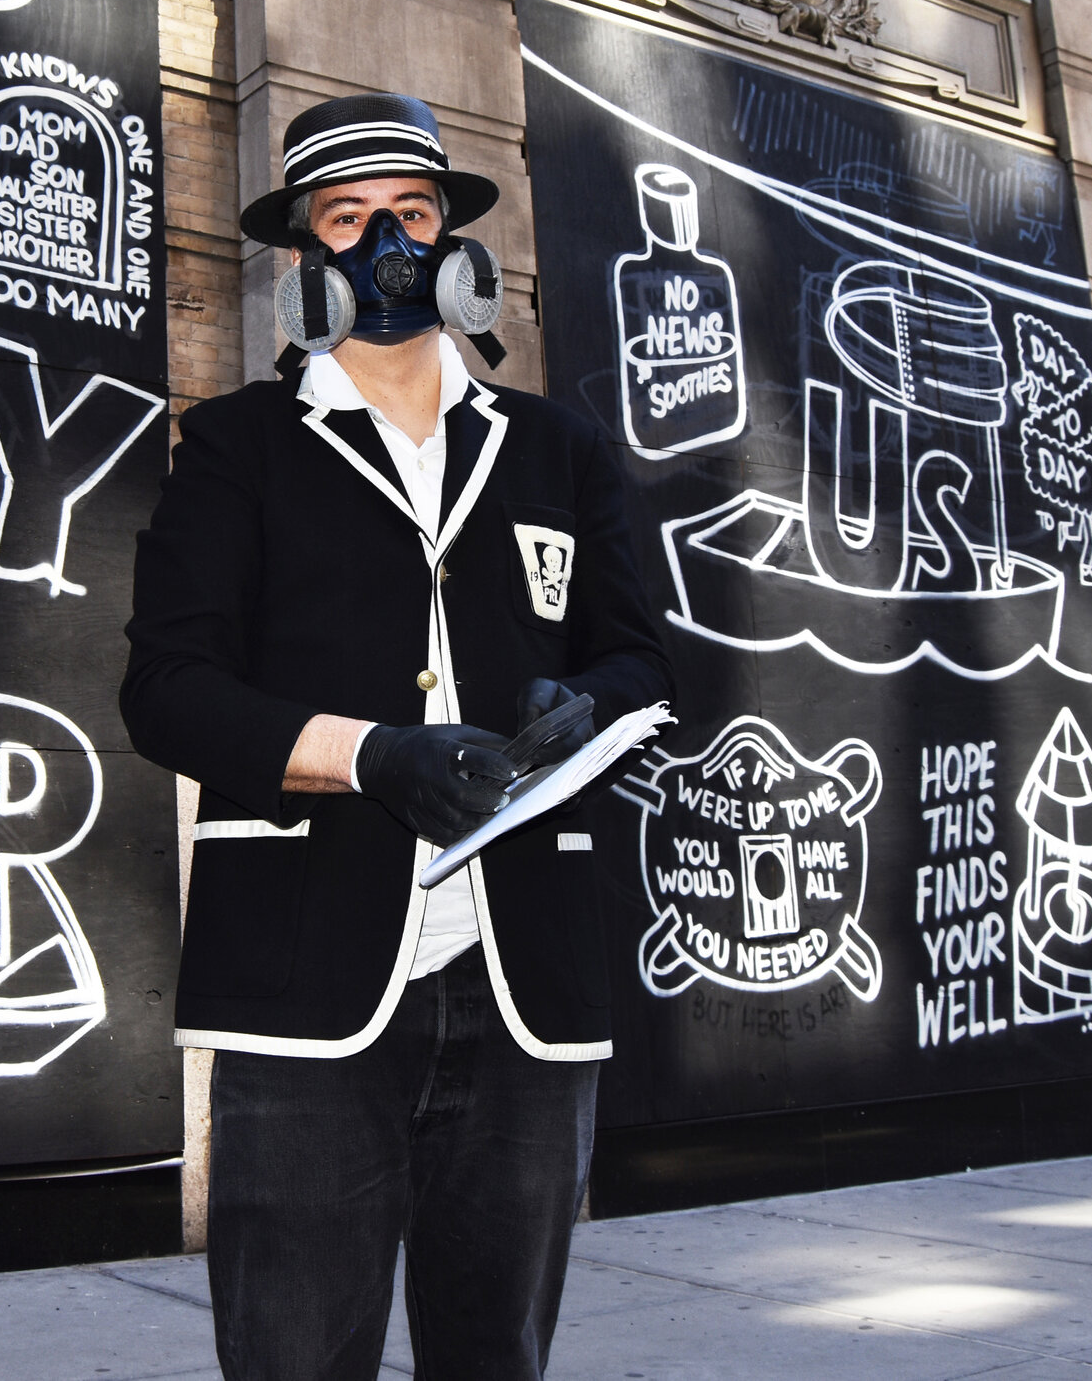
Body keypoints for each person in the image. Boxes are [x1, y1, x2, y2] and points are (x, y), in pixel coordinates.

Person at [119, 92, 672, 1380]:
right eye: (350, 218)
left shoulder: (559, 449)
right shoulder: (236, 447)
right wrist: (372, 754)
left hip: (525, 975)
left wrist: (579, 708)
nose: (388, 245)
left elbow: (641, 656)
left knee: (499, 1360)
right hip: (308, 987)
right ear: (306, 259)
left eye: (413, 215)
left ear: (459, 249)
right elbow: (168, 692)